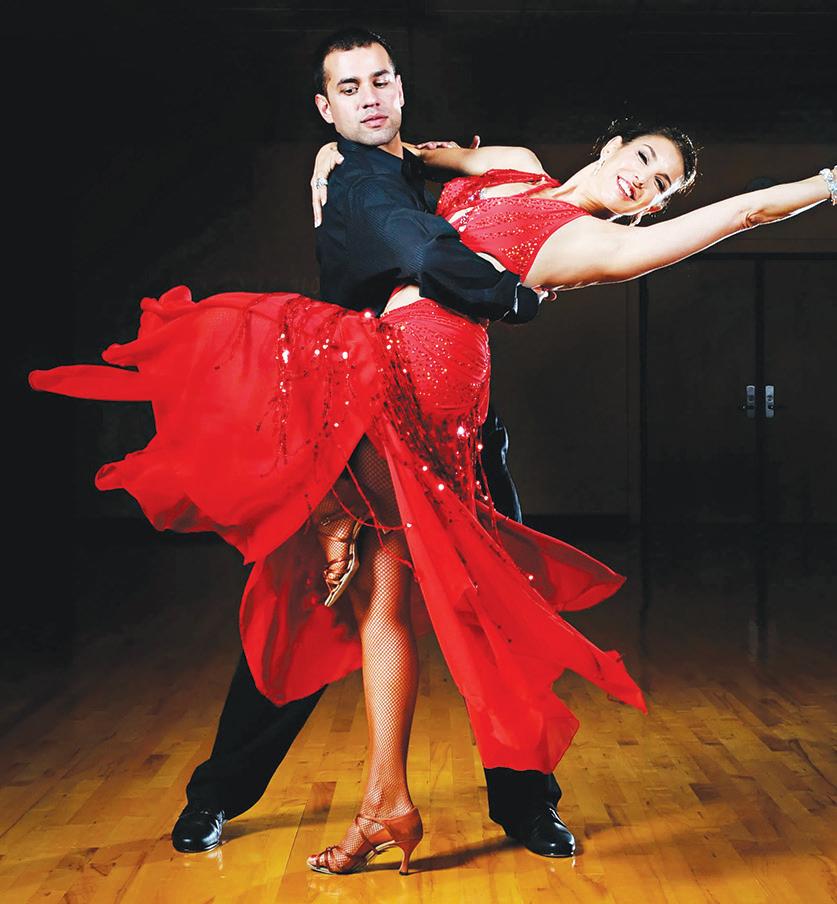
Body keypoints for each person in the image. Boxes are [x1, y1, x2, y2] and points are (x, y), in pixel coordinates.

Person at [29, 33, 836, 877]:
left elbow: (741, 213)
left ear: (650, 209)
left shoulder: (604, 245)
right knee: (313, 596)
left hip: (454, 421)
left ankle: (524, 804)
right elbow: (398, 153)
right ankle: (218, 794)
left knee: (500, 616)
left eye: (660, 185)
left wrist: (824, 183)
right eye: (642, 158)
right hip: (366, 394)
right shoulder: (512, 164)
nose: (643, 180)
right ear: (612, 145)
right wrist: (331, 164)